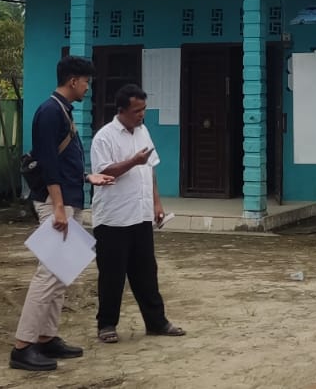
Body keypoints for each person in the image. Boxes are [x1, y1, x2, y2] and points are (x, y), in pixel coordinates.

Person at [10, 55, 116, 373]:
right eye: (85, 82)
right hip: (56, 202)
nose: (87, 88)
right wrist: (57, 206)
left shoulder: (62, 110)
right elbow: (47, 163)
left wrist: (86, 177)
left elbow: (63, 160)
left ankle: (46, 337)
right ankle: (23, 346)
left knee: (61, 272)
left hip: (67, 198)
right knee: (49, 273)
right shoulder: (49, 112)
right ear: (73, 80)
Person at [89, 84, 186, 344]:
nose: (141, 115)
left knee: (146, 272)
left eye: (143, 109)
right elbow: (103, 173)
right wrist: (133, 161)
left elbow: (149, 169)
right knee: (112, 275)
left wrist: (157, 203)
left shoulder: (143, 132)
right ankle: (106, 324)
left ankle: (156, 322)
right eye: (136, 111)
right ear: (121, 110)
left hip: (141, 215)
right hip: (114, 218)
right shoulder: (104, 137)